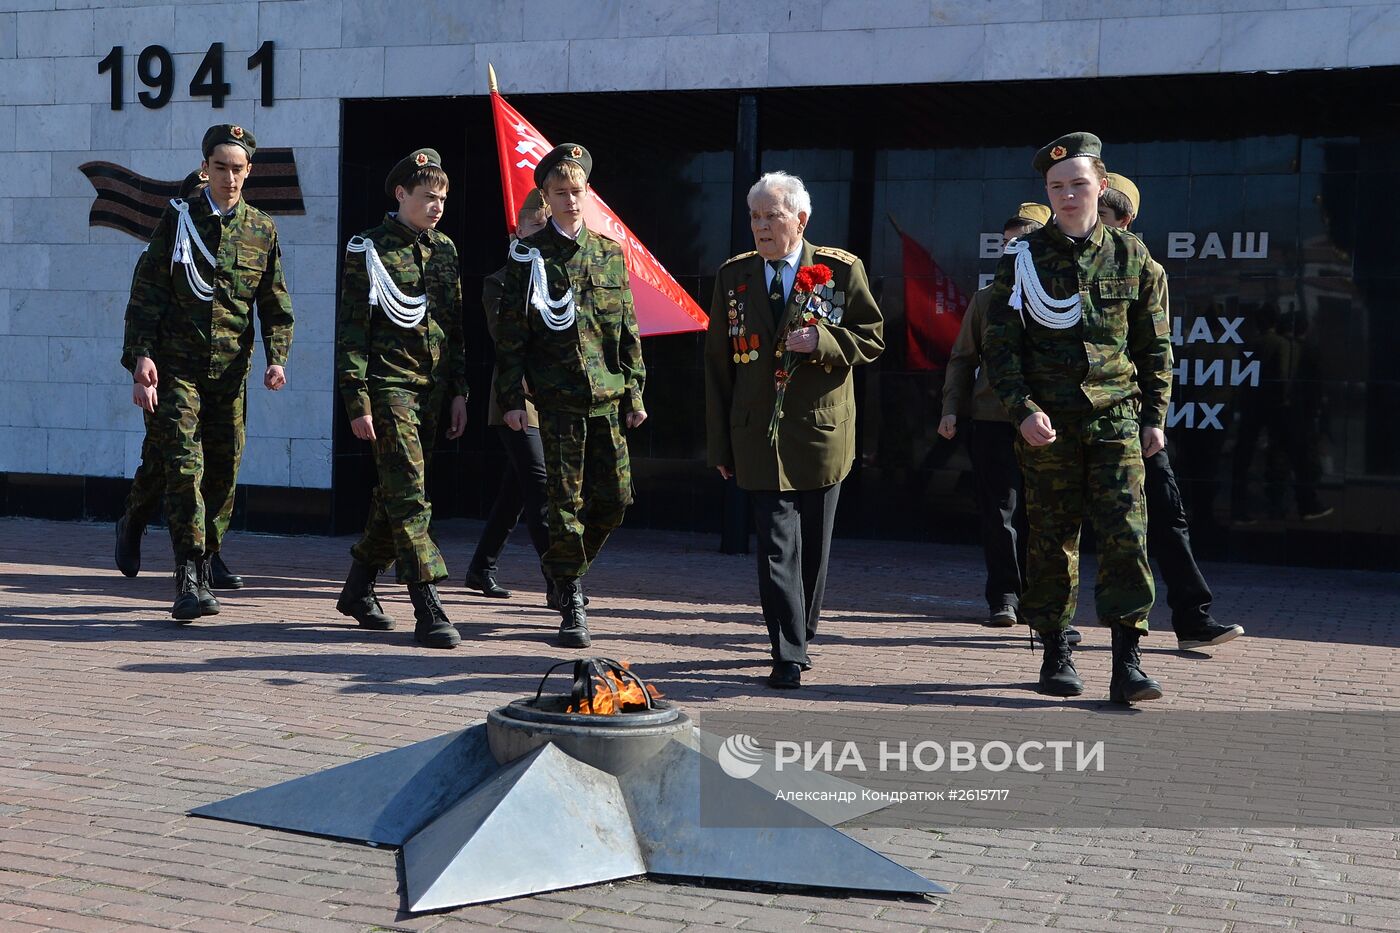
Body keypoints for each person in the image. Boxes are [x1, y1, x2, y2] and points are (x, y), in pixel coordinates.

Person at [982, 133, 1173, 704]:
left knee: (1126, 538)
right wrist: (1022, 409)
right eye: (1056, 187)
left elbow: (1155, 345)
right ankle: (1056, 649)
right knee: (1051, 538)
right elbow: (1000, 347)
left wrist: (1154, 416)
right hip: (1050, 425)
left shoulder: (1132, 255)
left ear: (1102, 186)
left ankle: (1128, 661)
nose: (1068, 196)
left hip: (1116, 418)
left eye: (1079, 185)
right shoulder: (1021, 259)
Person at [704, 171, 884, 690]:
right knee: (775, 547)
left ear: (800, 220)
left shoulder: (839, 270)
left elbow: (871, 340)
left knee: (814, 550)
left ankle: (802, 632)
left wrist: (823, 342)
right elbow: (719, 364)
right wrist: (720, 443)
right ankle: (786, 651)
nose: (761, 227)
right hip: (757, 436)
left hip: (820, 434)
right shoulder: (733, 276)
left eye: (772, 217)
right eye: (754, 217)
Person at [123, 125, 294, 622]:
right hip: (176, 368)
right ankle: (189, 574)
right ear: (205, 168)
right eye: (220, 167)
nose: (230, 176)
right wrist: (141, 356)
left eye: (238, 168)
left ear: (249, 172)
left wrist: (276, 356)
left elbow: (274, 302)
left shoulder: (262, 229)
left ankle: (148, 523)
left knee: (223, 469)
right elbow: (147, 292)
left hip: (229, 373)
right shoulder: (178, 220)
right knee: (183, 467)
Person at [495, 144, 646, 649]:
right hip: (556, 402)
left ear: (587, 193)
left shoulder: (608, 252)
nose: (570, 200)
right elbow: (513, 338)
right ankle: (572, 601)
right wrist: (513, 399)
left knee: (615, 502)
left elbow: (627, 329)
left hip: (606, 398)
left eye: (577, 191)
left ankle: (564, 572)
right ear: (545, 195)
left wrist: (635, 392)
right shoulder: (531, 258)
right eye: (559, 192)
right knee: (563, 505)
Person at [1099, 173, 1244, 651]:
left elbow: (1157, 352)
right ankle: (1050, 626)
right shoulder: (1052, 263)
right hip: (1073, 416)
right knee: (1057, 523)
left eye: (1105, 218)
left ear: (1127, 222)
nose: (1095, 226)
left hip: (1129, 415)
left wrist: (1153, 418)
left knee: (1166, 513)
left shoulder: (1145, 270)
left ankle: (1192, 617)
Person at [334, 148, 468, 650]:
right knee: (411, 496)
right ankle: (427, 604)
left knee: (396, 492)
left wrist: (460, 392)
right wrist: (357, 399)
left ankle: (359, 586)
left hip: (431, 390)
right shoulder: (366, 249)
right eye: (428, 197)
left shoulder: (446, 251)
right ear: (400, 195)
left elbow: (453, 330)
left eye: (442, 199)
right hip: (387, 386)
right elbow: (351, 332)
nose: (437, 207)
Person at [115, 170, 244, 592]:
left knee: (212, 468)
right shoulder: (169, 243)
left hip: (219, 378)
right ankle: (135, 521)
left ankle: (208, 555)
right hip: (170, 376)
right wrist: (140, 365)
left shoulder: (234, 244)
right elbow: (141, 307)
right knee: (176, 468)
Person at [940, 204, 1047, 629]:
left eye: (1022, 243)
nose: (1013, 252)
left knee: (1043, 514)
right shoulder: (987, 299)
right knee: (999, 512)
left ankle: (1042, 598)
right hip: (992, 418)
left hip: (1047, 423)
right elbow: (963, 358)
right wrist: (951, 408)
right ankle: (1004, 596)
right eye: (1007, 245)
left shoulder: (1063, 296)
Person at [463, 190, 552, 602]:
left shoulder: (564, 278)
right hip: (517, 395)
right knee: (540, 485)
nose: (541, 236)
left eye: (547, 228)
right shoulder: (499, 282)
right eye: (534, 227)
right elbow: (507, 338)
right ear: (517, 232)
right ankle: (560, 582)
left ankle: (481, 567)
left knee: (516, 489)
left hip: (556, 396)